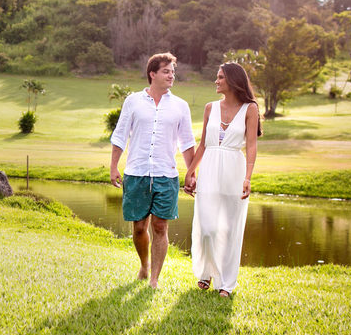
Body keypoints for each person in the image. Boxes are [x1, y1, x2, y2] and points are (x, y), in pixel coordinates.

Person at [110, 52, 196, 289]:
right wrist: (113, 166)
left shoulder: (180, 106)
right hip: (136, 173)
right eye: (166, 71)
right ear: (152, 74)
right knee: (139, 227)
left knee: (160, 226)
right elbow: (120, 135)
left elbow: (187, 143)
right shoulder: (133, 101)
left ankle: (154, 279)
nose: (171, 76)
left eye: (173, 72)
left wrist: (191, 174)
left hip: (166, 175)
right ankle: (144, 265)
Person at [183, 61, 262, 297]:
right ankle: (206, 271)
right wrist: (190, 172)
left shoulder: (250, 109)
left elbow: (251, 146)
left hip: (234, 171)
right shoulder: (210, 108)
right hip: (209, 170)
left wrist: (248, 178)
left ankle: (226, 284)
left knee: (230, 229)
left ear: (233, 80)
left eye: (220, 77)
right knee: (207, 227)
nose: (215, 81)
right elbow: (203, 145)